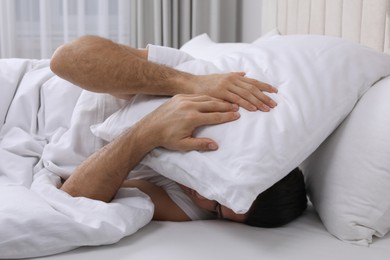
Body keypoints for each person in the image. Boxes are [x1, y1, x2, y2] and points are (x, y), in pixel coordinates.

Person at [50, 35, 307, 226]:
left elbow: (74, 197)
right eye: (219, 199)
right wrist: (187, 82)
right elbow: (65, 60)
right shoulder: (198, 78)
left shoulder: (190, 207)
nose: (205, 200)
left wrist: (148, 131)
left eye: (217, 211)